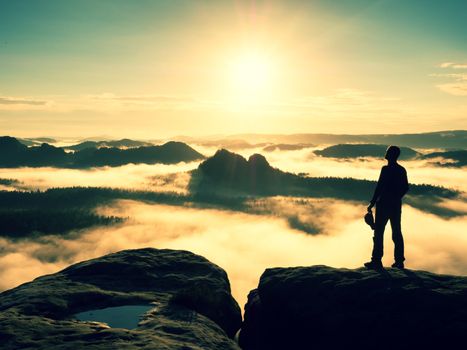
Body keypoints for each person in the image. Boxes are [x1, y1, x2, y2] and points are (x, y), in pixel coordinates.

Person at [364, 145, 409, 270]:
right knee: (396, 233)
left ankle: (377, 260)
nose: (386, 153)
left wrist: (372, 203)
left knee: (379, 233)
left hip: (383, 205)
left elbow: (379, 187)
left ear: (391, 155)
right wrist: (396, 198)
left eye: (388, 152)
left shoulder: (385, 169)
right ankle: (399, 261)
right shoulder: (401, 170)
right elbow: (405, 188)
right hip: (394, 206)